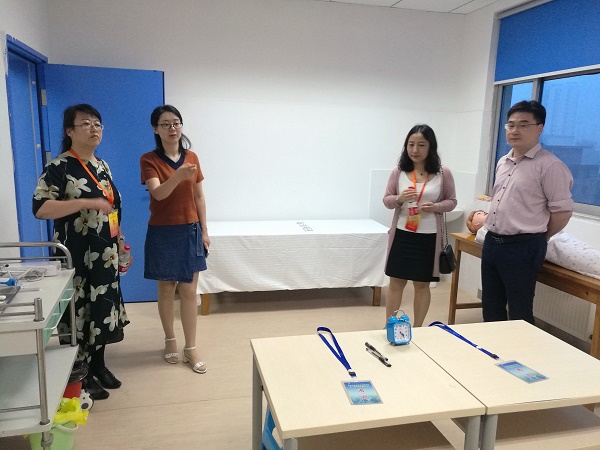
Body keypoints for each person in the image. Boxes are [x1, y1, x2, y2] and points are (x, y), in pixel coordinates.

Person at [33, 104, 130, 401]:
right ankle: (78, 372)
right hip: (75, 254)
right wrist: (83, 202)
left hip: (104, 253)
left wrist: (120, 242)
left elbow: (111, 208)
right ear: (70, 131)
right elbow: (41, 209)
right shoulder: (59, 167)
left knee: (101, 308)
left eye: (97, 123)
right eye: (85, 123)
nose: (94, 128)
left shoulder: (103, 166)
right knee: (76, 313)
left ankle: (98, 364)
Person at [482, 100, 573, 323]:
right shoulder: (503, 162)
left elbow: (562, 212)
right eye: (511, 125)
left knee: (519, 311)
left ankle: (520, 348)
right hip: (492, 242)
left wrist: (537, 237)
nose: (515, 130)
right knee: (491, 305)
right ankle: (491, 345)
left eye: (523, 125)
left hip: (523, 247)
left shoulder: (550, 166)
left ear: (539, 128)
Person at [140, 105, 210, 374]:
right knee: (167, 289)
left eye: (176, 123)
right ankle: (170, 339)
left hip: (190, 230)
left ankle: (190, 347)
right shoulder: (149, 159)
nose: (172, 128)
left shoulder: (192, 157)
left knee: (190, 291)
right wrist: (179, 175)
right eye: (166, 124)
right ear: (155, 129)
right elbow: (158, 194)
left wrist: (205, 230)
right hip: (163, 232)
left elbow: (199, 196)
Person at [383, 124, 457, 327]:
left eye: (421, 145)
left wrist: (436, 206)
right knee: (396, 282)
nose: (415, 150)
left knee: (422, 285)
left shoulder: (443, 173)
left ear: (431, 147)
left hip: (428, 238)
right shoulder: (399, 172)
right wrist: (399, 198)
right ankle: (391, 325)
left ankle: (418, 328)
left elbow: (452, 201)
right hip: (402, 235)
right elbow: (387, 200)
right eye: (411, 144)